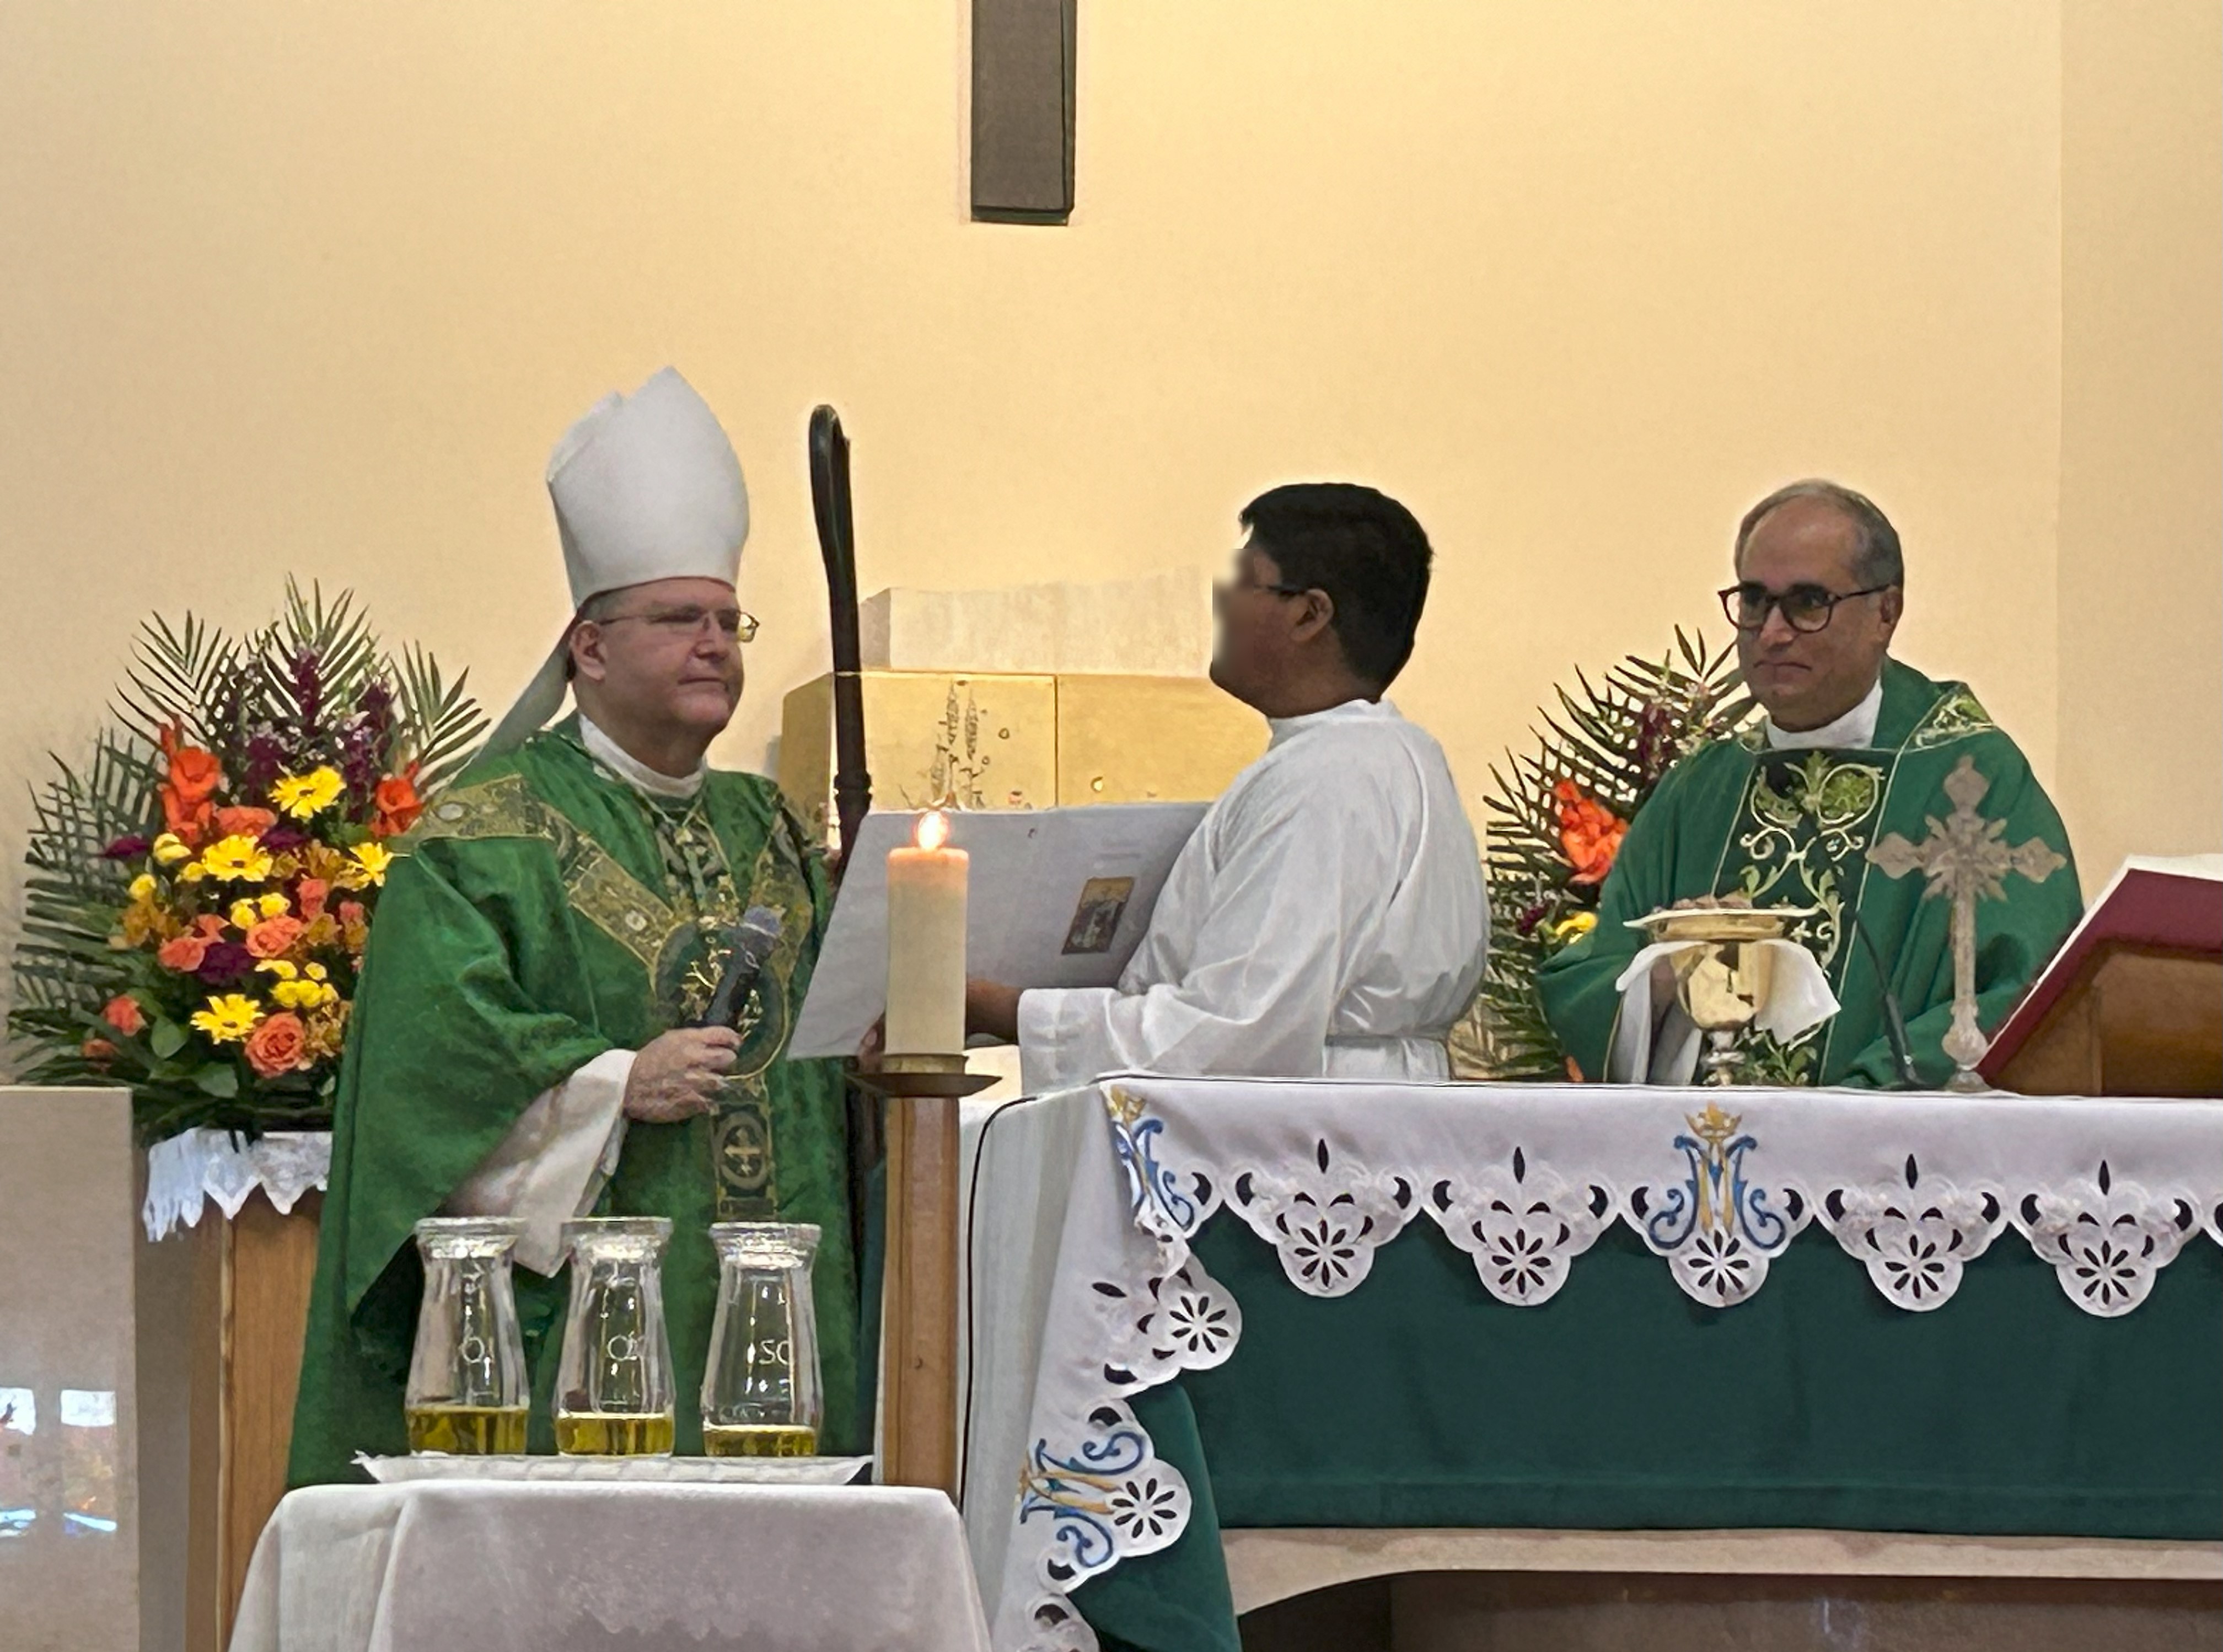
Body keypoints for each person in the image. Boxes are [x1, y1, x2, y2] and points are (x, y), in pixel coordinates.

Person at [289, 368, 860, 1483]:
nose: (715, 645)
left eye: (726, 621)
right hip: (581, 1350)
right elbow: (427, 1070)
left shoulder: (775, 826)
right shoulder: (484, 833)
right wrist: (607, 1085)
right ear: (589, 649)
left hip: (793, 1327)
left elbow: (842, 1036)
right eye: (677, 620)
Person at [1538, 479, 2082, 1087]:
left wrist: (1854, 1105)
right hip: (1702, 1161)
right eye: (1753, 601)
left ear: (1886, 612)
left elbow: (2028, 993)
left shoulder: (1970, 780)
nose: (1772, 631)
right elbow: (1591, 972)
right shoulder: (1700, 790)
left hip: (1885, 1160)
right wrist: (1664, 979)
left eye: (1808, 602)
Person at [964, 482, 1488, 1091]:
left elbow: (1233, 1033)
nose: (1221, 596)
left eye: (1245, 577)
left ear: (1309, 614)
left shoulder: (1325, 779)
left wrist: (999, 1009)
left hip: (1308, 1131)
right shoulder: (1393, 755)